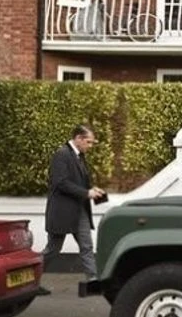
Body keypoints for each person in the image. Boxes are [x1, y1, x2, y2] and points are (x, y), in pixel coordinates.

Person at [37, 124, 105, 296]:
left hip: (79, 209)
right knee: (53, 249)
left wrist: (93, 190)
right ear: (78, 138)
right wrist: (85, 192)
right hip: (63, 212)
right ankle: (32, 281)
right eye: (88, 142)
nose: (90, 146)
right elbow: (61, 183)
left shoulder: (79, 156)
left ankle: (93, 281)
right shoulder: (62, 155)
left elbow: (79, 181)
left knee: (86, 246)